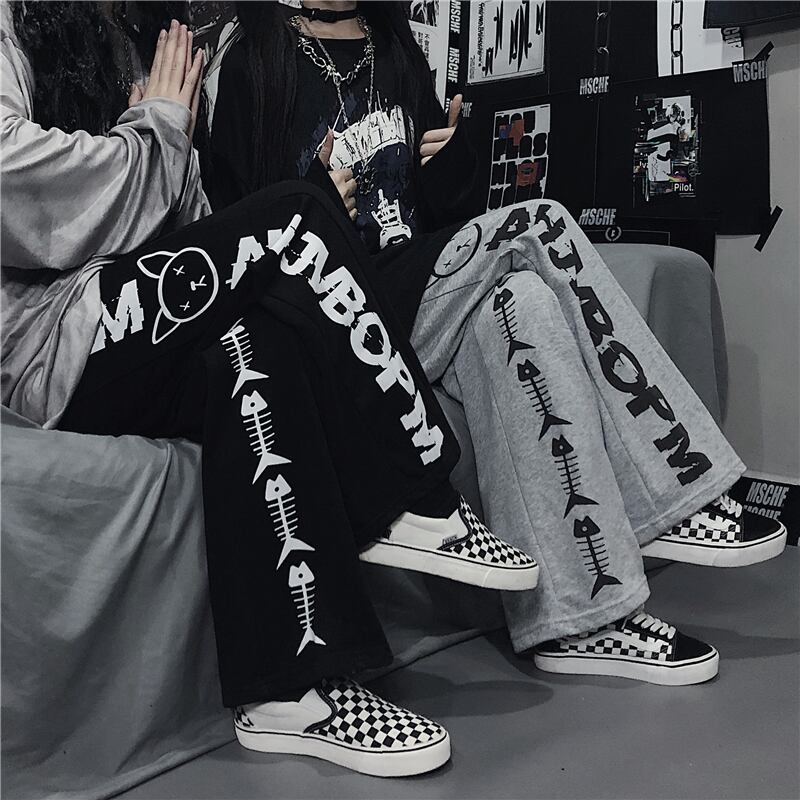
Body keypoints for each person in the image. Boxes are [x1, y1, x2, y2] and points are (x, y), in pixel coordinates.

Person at [1, 1, 540, 778]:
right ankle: (413, 490)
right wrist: (154, 131)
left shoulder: (137, 35)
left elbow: (180, 211)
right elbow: (14, 176)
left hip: (138, 308)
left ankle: (290, 691)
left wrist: (165, 150)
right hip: (52, 338)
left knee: (257, 340)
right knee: (297, 214)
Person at [208, 0, 787, 691]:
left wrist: (453, 160)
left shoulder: (392, 46)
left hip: (420, 290)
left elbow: (439, 211)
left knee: (523, 302)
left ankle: (581, 620)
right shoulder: (255, 56)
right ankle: (677, 482)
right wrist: (311, 198)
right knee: (540, 223)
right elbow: (235, 233)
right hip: (337, 317)